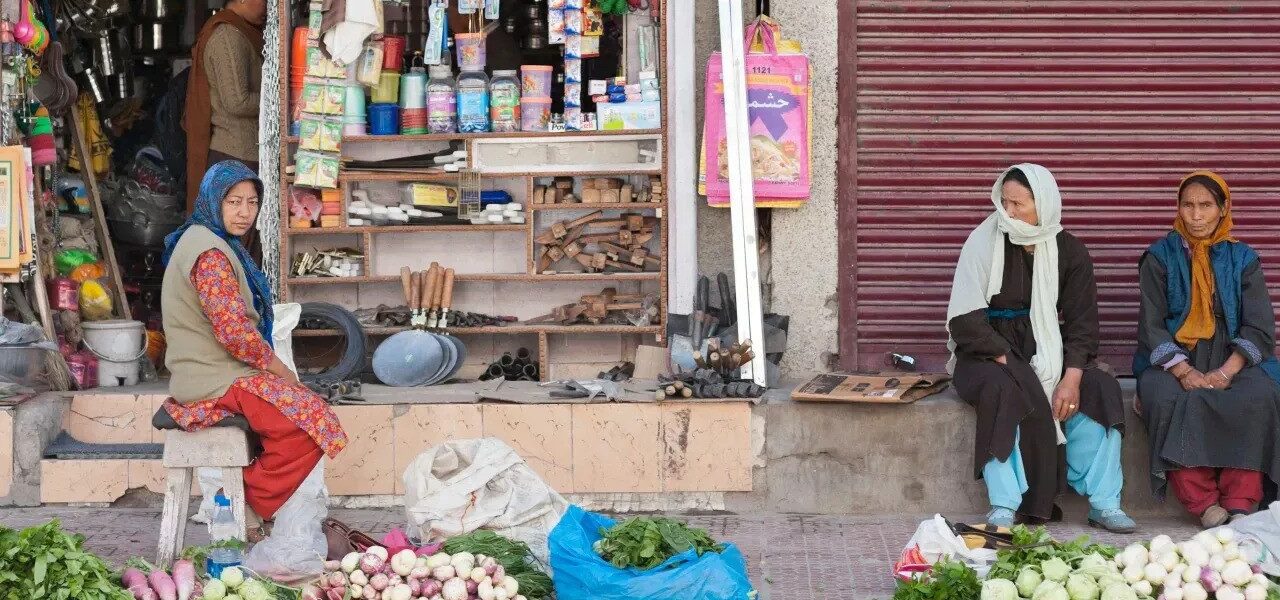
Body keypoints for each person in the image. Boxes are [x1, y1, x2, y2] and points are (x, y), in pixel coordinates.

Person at [160, 160, 347, 537]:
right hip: (214, 378)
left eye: (251, 202)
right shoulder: (209, 254)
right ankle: (244, 503)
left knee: (308, 417)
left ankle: (242, 500)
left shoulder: (208, 241)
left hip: (221, 372)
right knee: (312, 424)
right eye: (233, 202)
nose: (245, 212)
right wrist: (279, 370)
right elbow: (235, 333)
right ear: (213, 202)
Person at [946, 164, 1136, 532]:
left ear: (1044, 204)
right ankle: (1004, 503)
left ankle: (1105, 501)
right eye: (1004, 202)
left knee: (1102, 390)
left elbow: (1083, 324)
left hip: (1047, 347)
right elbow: (965, 320)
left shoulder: (1070, 250)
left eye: (1018, 204)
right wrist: (1010, 361)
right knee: (1006, 388)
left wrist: (1072, 376)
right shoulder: (983, 241)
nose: (1009, 212)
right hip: (986, 351)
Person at [1134, 171, 1280, 528]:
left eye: (1205, 206)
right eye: (1188, 205)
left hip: (1234, 359)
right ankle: (1202, 503)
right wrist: (1184, 371)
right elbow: (1151, 324)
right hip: (1174, 359)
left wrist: (1225, 372)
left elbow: (1258, 326)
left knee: (1258, 394)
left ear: (1222, 209)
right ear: (1178, 209)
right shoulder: (1159, 256)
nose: (1196, 215)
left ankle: (1241, 499)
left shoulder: (1243, 258)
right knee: (1165, 397)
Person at [184, 0, 266, 214]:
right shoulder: (227, 35)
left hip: (243, 153)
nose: (268, 6)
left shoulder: (243, 31)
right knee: (236, 235)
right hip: (236, 153)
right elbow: (237, 102)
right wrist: (280, 103)